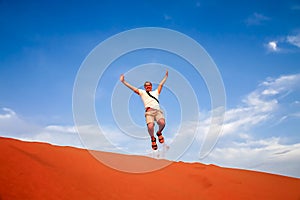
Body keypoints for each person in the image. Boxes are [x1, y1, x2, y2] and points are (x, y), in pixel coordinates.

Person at [120, 70, 168, 150]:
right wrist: (123, 81)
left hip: (157, 111)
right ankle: (153, 138)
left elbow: (161, 84)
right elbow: (132, 88)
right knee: (150, 126)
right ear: (144, 87)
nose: (148, 86)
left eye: (149, 85)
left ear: (151, 86)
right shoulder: (142, 92)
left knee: (162, 123)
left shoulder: (156, 92)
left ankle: (159, 133)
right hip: (149, 112)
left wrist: (166, 77)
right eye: (146, 86)